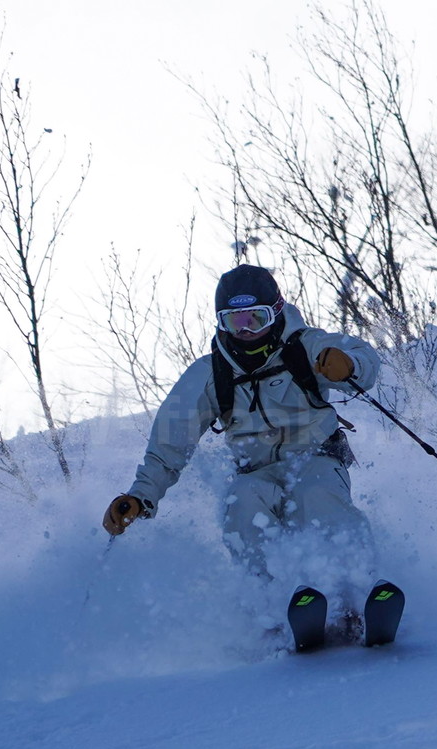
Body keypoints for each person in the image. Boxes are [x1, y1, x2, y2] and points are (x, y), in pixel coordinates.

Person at [102, 264, 381, 632]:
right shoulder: (209, 373)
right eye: (236, 321)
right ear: (221, 323)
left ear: (277, 312)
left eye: (256, 318)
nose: (246, 330)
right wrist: (141, 496)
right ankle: (272, 610)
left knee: (317, 497)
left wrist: (349, 366)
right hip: (256, 472)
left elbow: (365, 360)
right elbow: (168, 444)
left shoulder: (306, 346)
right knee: (240, 506)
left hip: (316, 455)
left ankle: (357, 595)